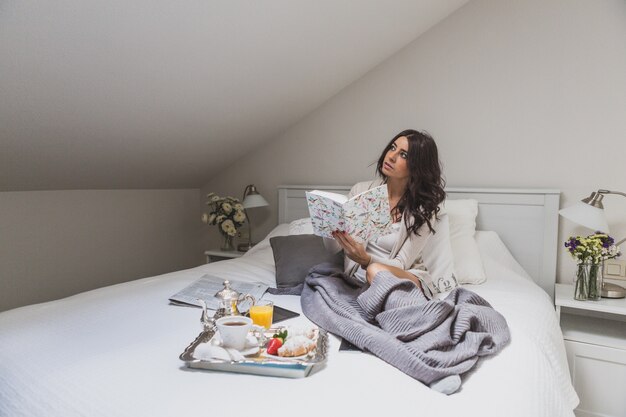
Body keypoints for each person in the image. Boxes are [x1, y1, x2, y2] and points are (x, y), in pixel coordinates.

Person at [324, 129, 446, 296]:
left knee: (374, 270)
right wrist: (330, 223)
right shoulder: (361, 191)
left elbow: (402, 263)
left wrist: (367, 261)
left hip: (404, 278)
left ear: (416, 167)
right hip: (361, 281)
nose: (391, 156)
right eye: (393, 147)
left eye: (403, 155)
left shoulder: (423, 210)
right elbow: (332, 249)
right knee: (372, 272)